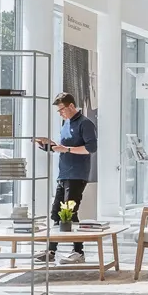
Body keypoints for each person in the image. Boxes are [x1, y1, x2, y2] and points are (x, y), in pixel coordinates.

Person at [37, 92, 97, 263]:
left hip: (77, 175)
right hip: (63, 174)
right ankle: (51, 252)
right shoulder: (66, 123)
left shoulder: (85, 124)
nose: (60, 113)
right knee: (57, 213)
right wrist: (49, 145)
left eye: (62, 109)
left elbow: (91, 148)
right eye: (59, 111)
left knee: (69, 213)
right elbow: (63, 147)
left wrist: (66, 149)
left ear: (71, 106)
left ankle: (78, 252)